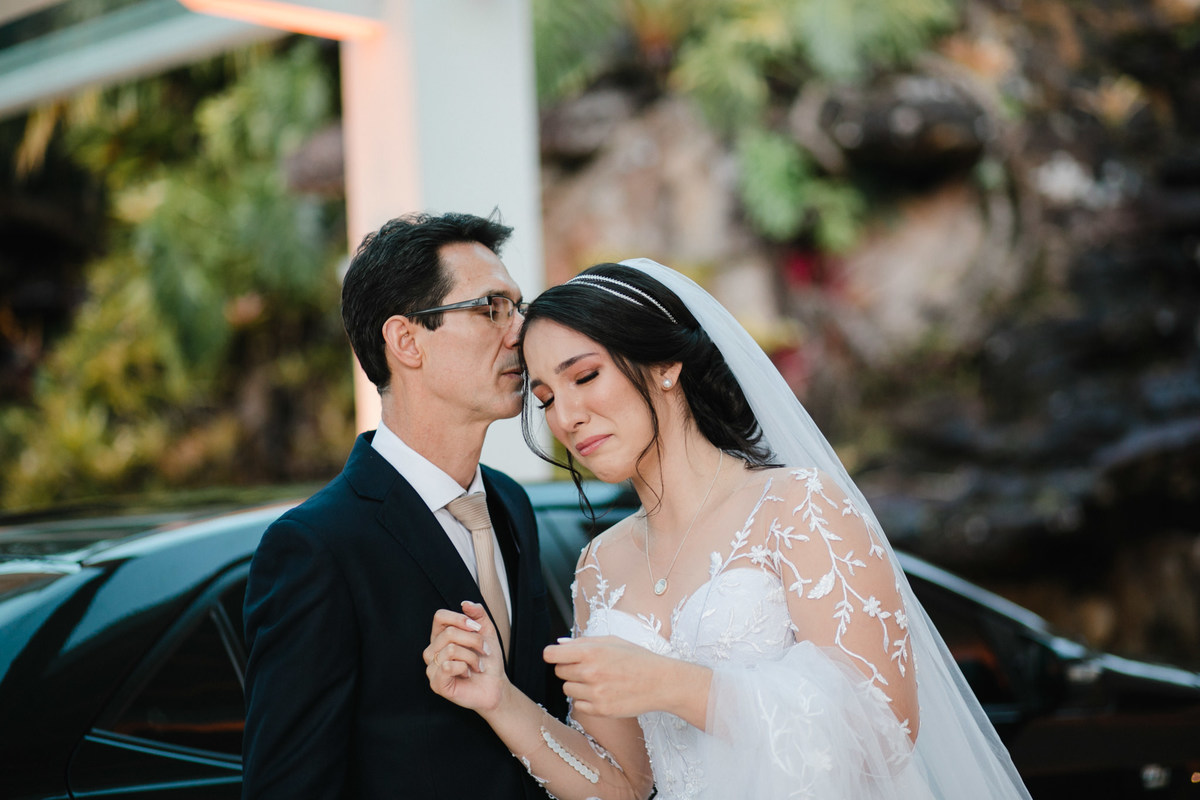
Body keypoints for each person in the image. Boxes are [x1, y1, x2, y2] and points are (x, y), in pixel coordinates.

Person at [425, 259, 1033, 799]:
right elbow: (621, 785)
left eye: (584, 377)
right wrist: (499, 701)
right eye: (546, 397)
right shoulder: (601, 566)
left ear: (664, 364)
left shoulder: (798, 506)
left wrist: (676, 686)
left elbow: (886, 730)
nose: (568, 416)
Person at [243, 211, 558, 799]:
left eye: (519, 307)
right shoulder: (317, 547)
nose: (520, 330)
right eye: (491, 308)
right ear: (406, 340)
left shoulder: (511, 505)